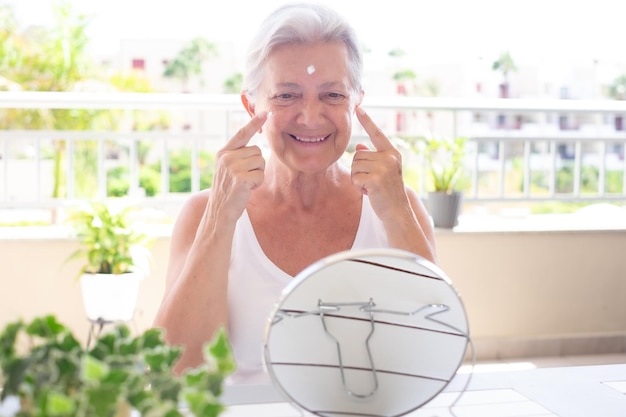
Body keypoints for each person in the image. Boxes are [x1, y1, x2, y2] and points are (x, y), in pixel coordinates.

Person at [153, 1, 437, 383]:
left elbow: (436, 351)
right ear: (250, 104)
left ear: (357, 102)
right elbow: (170, 371)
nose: (310, 116)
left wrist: (398, 215)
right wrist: (221, 218)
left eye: (332, 95)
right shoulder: (203, 212)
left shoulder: (398, 206)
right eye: (286, 96)